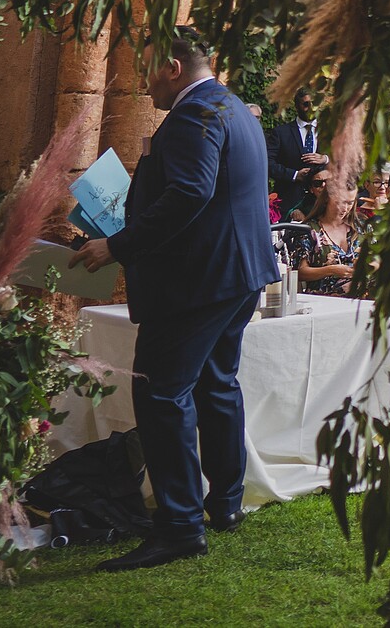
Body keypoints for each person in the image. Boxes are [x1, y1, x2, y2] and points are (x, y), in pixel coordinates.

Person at [72, 30, 278, 570]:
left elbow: (191, 191)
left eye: (144, 71)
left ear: (170, 66)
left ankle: (181, 525)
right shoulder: (233, 107)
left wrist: (117, 244)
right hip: (238, 274)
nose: (142, 84)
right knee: (217, 382)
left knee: (162, 394)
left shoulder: (193, 116)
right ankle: (225, 502)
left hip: (198, 282)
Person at [265, 89, 331, 218]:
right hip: (289, 201)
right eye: (306, 104)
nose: (311, 108)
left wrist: (326, 159)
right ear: (297, 106)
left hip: (324, 203)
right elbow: (267, 163)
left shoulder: (329, 132)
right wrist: (294, 175)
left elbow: (344, 161)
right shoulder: (281, 133)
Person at [297, 179, 365, 296]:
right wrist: (331, 270)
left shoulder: (360, 227)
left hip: (360, 301)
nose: (345, 208)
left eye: (350, 203)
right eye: (340, 202)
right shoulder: (309, 229)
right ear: (328, 198)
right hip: (323, 301)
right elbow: (299, 272)